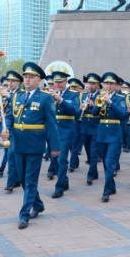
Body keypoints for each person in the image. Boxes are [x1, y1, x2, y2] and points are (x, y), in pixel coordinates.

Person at [1, 62, 60, 229]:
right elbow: (10, 118)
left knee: (30, 180)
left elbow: (51, 124)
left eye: (31, 77)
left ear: (39, 79)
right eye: (25, 77)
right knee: (22, 179)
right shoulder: (16, 97)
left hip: (35, 144)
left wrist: (54, 146)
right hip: (18, 144)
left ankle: (24, 214)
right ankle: (38, 204)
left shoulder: (45, 97)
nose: (27, 80)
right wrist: (4, 130)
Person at [89, 72, 128, 203]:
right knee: (106, 164)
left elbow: (122, 115)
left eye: (111, 83)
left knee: (110, 163)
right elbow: (94, 114)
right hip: (102, 133)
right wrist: (98, 103)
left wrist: (110, 102)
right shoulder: (100, 96)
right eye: (106, 83)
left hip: (114, 134)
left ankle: (106, 192)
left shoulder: (120, 98)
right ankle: (112, 186)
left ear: (116, 85)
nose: (108, 86)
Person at [47, 71, 80, 199]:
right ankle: (64, 180)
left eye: (61, 82)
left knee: (61, 158)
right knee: (54, 158)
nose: (58, 84)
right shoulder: (48, 94)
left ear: (66, 82)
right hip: (53, 130)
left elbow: (75, 111)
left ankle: (59, 187)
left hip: (66, 130)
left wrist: (60, 99)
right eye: (56, 82)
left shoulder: (73, 94)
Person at [0, 71, 24, 192]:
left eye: (12, 81)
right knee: (10, 154)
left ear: (18, 82)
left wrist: (8, 96)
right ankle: (16, 179)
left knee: (12, 155)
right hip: (6, 127)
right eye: (9, 81)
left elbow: (20, 105)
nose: (9, 83)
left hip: (17, 128)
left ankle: (10, 182)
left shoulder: (21, 94)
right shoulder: (8, 94)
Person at [80, 74, 102, 185]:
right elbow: (77, 111)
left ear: (98, 85)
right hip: (85, 127)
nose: (90, 85)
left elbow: (99, 112)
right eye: (89, 83)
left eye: (93, 83)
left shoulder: (101, 96)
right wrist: (81, 108)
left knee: (94, 153)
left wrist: (93, 105)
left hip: (96, 127)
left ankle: (90, 175)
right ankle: (94, 171)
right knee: (88, 152)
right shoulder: (83, 96)